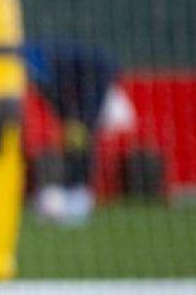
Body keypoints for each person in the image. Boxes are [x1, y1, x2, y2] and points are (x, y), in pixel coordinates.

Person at [22, 39, 136, 226]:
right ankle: (70, 197)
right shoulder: (44, 70)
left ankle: (77, 199)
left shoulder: (93, 78)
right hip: (81, 91)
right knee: (76, 139)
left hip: (90, 88)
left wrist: (77, 122)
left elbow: (80, 108)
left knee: (79, 141)